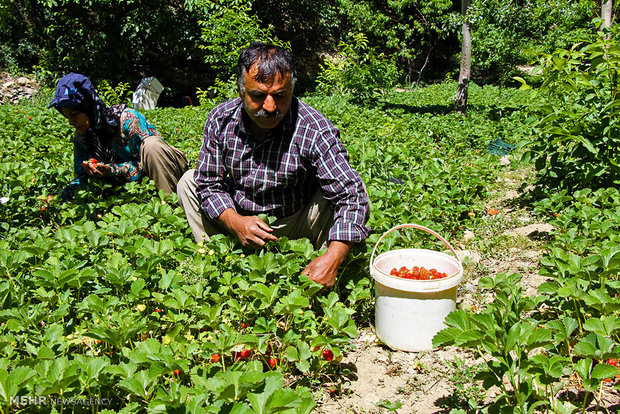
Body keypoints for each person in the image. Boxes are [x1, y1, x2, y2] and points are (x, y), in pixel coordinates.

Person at [177, 43, 370, 287]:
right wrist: (236, 222)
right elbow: (208, 183)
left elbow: (351, 194)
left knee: (352, 187)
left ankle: (318, 270)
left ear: (292, 90)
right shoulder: (220, 120)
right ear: (240, 92)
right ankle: (219, 264)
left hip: (297, 220)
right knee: (189, 182)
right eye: (258, 96)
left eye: (280, 95)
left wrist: (334, 256)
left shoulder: (314, 129)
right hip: (241, 215)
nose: (270, 106)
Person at [48, 72, 188, 200]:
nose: (72, 122)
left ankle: (170, 204)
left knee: (152, 145)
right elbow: (80, 178)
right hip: (132, 191)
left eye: (74, 115)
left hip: (168, 172)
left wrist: (113, 170)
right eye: (67, 117)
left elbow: (153, 162)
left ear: (88, 107)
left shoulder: (128, 119)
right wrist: (59, 197)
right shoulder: (83, 136)